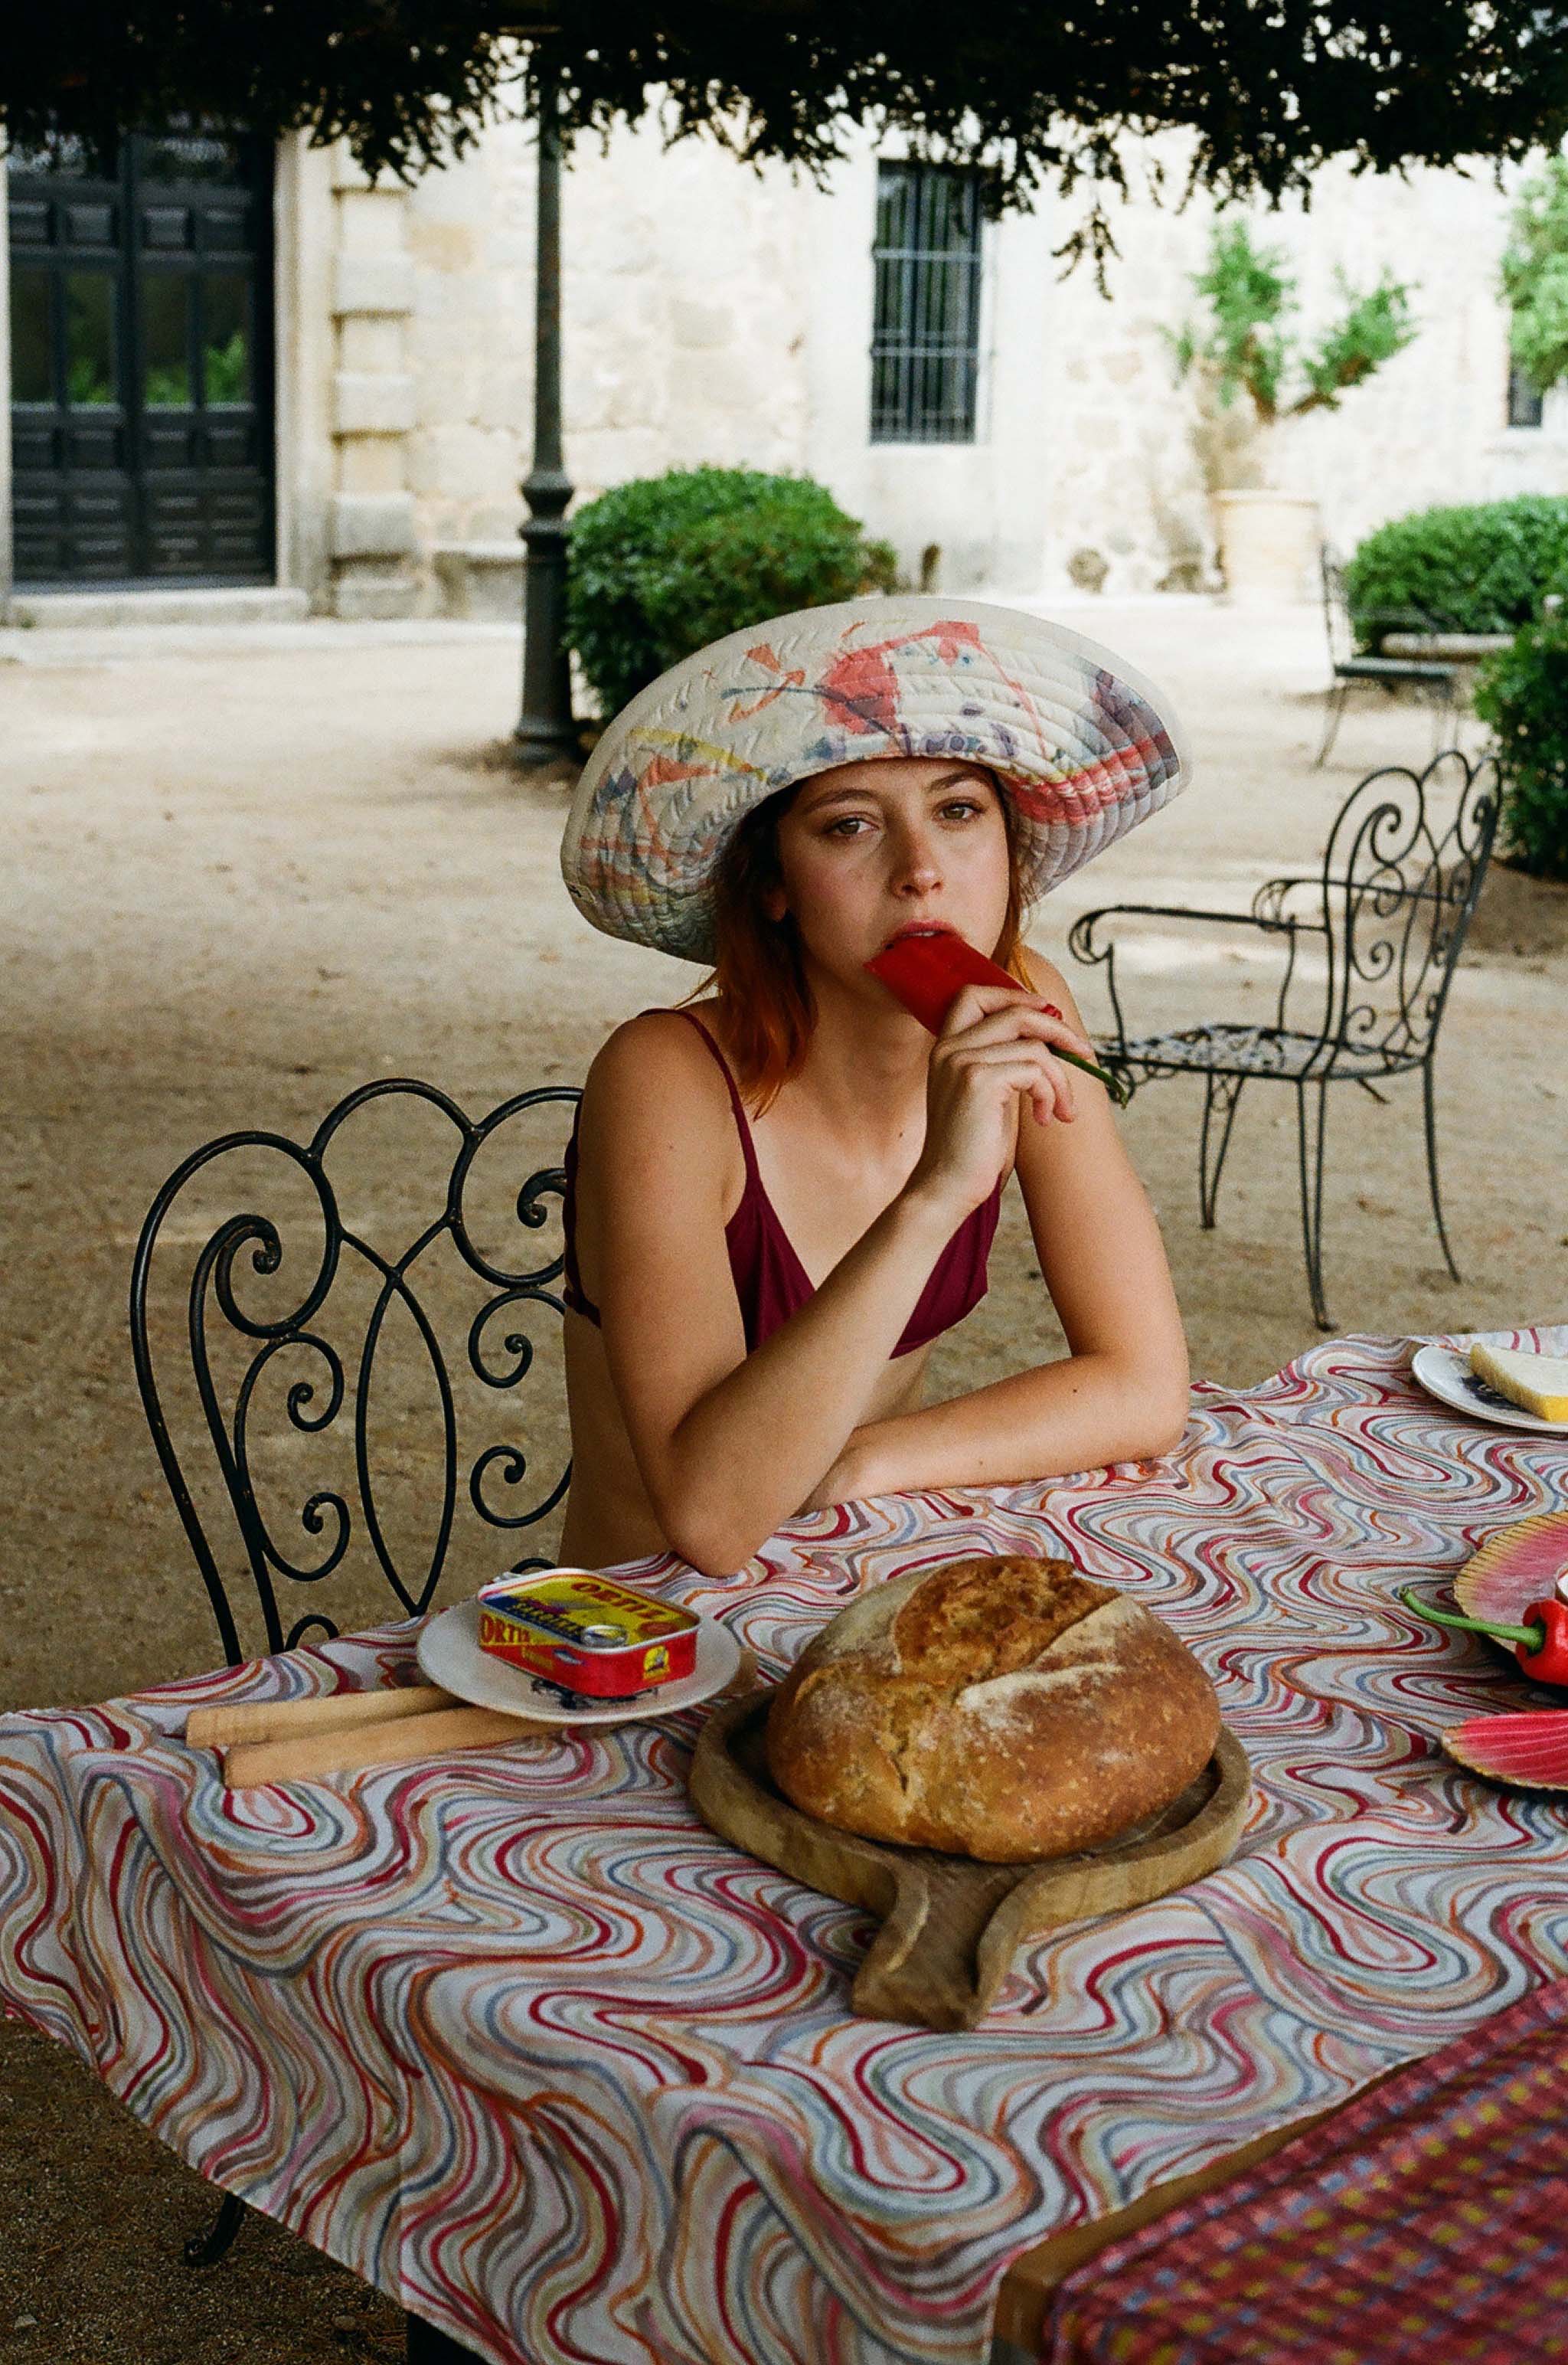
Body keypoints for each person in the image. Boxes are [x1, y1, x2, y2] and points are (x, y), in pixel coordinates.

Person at [554, 597, 1194, 1576]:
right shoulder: (665, 1081)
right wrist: (935, 1195)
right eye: (849, 826)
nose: (920, 872)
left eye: (957, 811)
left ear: (1006, 848)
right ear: (772, 882)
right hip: (648, 1642)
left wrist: (852, 1463)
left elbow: (1144, 1386)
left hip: (850, 1585)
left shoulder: (1025, 1007)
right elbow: (715, 1517)